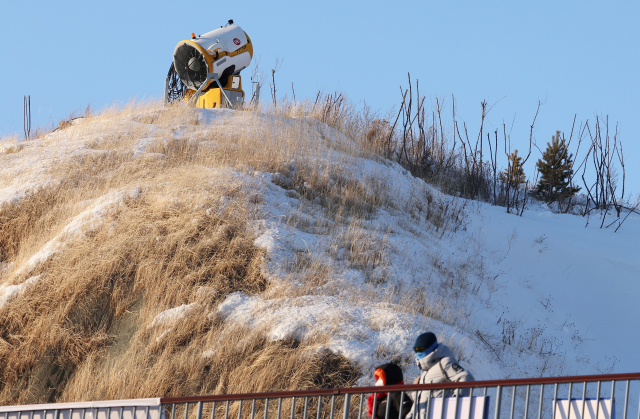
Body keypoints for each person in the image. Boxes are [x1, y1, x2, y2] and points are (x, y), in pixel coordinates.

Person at [412, 332, 474, 404]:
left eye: (420, 349)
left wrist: (455, 402)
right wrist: (410, 415)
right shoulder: (424, 372)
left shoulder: (445, 363)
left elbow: (467, 378)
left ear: (430, 347)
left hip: (440, 414)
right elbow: (418, 404)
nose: (417, 353)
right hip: (423, 415)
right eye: (415, 350)